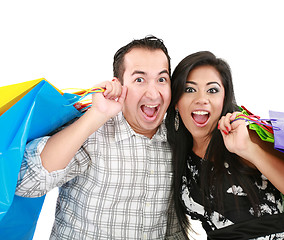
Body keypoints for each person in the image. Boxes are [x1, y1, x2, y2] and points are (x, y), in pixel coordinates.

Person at [16, 36, 185, 239]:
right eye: (139, 79)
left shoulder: (176, 141)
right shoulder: (93, 130)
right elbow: (25, 182)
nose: (153, 92)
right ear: (120, 86)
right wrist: (97, 115)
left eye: (161, 79)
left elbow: (174, 230)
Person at [165, 51, 284, 239]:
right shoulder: (179, 154)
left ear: (224, 99)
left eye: (212, 90)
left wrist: (249, 149)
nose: (201, 98)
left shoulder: (245, 136)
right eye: (189, 89)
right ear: (175, 102)